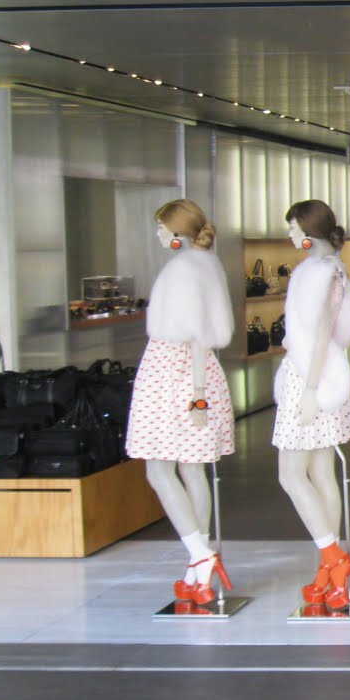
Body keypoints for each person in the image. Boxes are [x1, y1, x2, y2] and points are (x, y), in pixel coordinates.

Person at [125, 198, 235, 607]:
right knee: (191, 469)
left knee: (159, 469)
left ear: (177, 234)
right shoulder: (206, 265)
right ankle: (199, 566)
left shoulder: (184, 270)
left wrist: (198, 394)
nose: (157, 234)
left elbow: (196, 334)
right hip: (191, 375)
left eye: (161, 227)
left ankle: (200, 556)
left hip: (175, 376)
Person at [274, 199, 350, 611]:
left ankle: (332, 559)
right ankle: (330, 568)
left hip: (310, 378)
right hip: (321, 373)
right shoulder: (330, 270)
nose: (290, 235)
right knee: (320, 471)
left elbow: (319, 334)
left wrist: (310, 388)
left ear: (308, 232)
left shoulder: (320, 273)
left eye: (294, 228)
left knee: (293, 474)